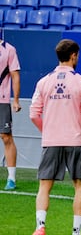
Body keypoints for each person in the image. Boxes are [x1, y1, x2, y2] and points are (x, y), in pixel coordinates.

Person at [30, 39, 81, 235]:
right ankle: (76, 232)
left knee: (44, 186)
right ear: (74, 55)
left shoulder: (43, 82)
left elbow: (33, 114)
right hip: (76, 140)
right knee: (79, 186)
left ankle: (40, 226)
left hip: (51, 141)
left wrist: (48, 131)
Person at [0, 36, 21, 190]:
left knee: (6, 137)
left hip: (2, 99)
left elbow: (15, 75)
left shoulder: (9, 49)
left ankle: (11, 178)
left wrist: (15, 100)